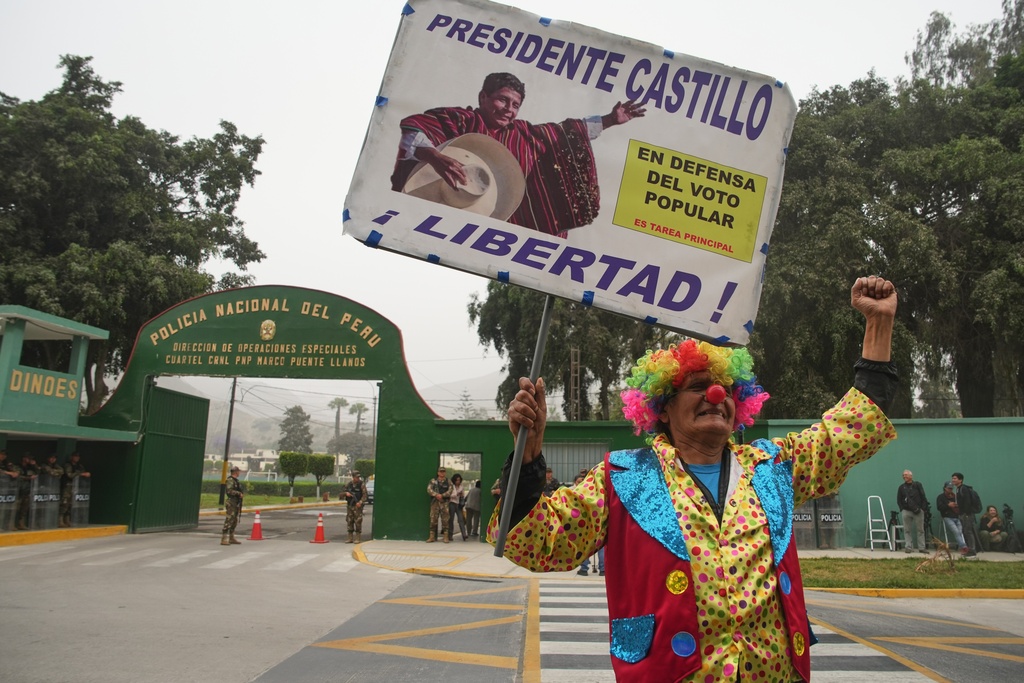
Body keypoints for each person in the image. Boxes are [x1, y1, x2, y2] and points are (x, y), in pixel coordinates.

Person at [489, 275, 899, 683]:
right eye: (699, 387)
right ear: (663, 409)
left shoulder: (773, 467)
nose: (716, 396)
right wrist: (528, 461)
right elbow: (539, 541)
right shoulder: (623, 476)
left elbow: (849, 432)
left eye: (725, 390)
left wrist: (878, 327)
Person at [391, 72, 645, 236]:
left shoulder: (523, 135)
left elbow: (565, 132)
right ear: (483, 97)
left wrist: (611, 119)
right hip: (442, 221)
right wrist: (433, 156)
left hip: (496, 231)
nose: (508, 110)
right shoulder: (460, 119)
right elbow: (414, 128)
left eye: (515, 105)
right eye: (502, 100)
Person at [896, 469, 929, 553]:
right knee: (907, 530)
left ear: (911, 476)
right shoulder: (901, 487)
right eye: (903, 475)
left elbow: (923, 496)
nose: (904, 476)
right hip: (906, 511)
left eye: (906, 475)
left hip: (918, 511)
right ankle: (908, 547)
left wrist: (923, 509)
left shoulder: (918, 485)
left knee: (920, 530)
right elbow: (899, 499)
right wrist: (902, 509)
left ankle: (921, 547)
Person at [937, 481, 972, 556]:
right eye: (948, 488)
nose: (950, 490)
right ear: (945, 488)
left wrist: (956, 505)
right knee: (956, 531)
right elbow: (939, 507)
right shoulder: (941, 497)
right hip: (947, 517)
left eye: (951, 488)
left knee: (960, 532)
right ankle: (964, 547)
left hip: (957, 516)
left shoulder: (955, 496)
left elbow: (961, 506)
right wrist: (948, 505)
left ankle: (961, 546)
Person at [951, 472, 982, 553]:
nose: (953, 480)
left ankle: (972, 549)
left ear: (960, 480)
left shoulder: (963, 489)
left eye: (955, 478)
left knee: (968, 531)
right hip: (962, 514)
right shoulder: (958, 489)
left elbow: (967, 502)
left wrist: (966, 513)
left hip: (966, 514)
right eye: (952, 478)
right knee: (965, 531)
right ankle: (969, 549)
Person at [60, 451, 90, 527]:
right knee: (64, 503)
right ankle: (60, 520)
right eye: (75, 456)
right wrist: (80, 474)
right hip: (67, 486)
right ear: (72, 457)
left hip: (76, 487)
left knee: (71, 503)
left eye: (78, 457)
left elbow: (84, 473)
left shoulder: (79, 466)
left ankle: (67, 520)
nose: (77, 458)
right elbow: (69, 475)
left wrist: (85, 474)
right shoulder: (68, 465)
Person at [426, 466, 452, 543]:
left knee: (445, 520)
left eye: (443, 471)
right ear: (438, 473)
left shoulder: (448, 481)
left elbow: (450, 490)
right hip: (435, 503)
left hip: (444, 503)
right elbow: (429, 489)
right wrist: (436, 495)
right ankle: (431, 537)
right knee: (433, 519)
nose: (442, 473)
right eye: (440, 472)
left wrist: (442, 495)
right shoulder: (433, 481)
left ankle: (445, 537)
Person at [14, 454, 39, 531]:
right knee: (15, 508)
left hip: (27, 490)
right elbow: (17, 476)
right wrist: (28, 478)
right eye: (27, 458)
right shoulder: (17, 466)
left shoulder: (30, 468)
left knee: (24, 508)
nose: (28, 460)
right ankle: (12, 523)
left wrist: (34, 465)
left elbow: (38, 472)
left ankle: (21, 523)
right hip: (18, 489)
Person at [221, 466, 244, 546]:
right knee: (229, 519)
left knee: (234, 521)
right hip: (231, 502)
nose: (239, 473)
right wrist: (238, 493)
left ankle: (231, 537)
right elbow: (229, 491)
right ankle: (224, 538)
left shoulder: (236, 481)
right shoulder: (230, 480)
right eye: (238, 471)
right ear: (235, 472)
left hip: (236, 502)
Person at [343, 469, 368, 543]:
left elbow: (365, 495)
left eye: (358, 477)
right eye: (356, 477)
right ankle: (350, 538)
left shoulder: (361, 484)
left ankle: (358, 538)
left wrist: (360, 502)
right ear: (353, 477)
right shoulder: (349, 484)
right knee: (349, 520)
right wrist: (346, 494)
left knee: (358, 521)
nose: (358, 478)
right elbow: (342, 493)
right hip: (350, 506)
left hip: (357, 506)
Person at [447, 473, 469, 541]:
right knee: (451, 520)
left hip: (459, 504)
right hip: (452, 503)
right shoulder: (451, 486)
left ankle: (464, 534)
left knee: (461, 519)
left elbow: (463, 495)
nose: (458, 482)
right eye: (457, 480)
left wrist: (462, 495)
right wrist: (457, 494)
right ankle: (450, 535)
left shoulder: (461, 486)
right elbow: (449, 495)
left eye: (459, 480)